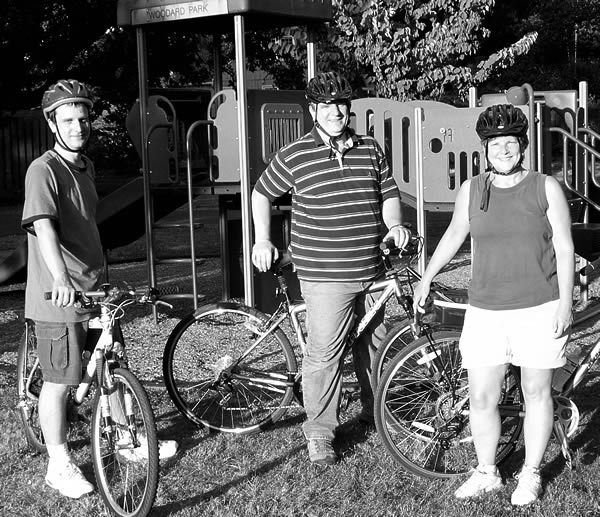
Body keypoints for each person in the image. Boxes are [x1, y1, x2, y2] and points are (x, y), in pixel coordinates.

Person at [22, 79, 177, 499]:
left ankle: (127, 441)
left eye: (84, 118)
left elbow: (87, 230)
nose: (78, 126)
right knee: (61, 381)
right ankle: (58, 463)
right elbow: (43, 227)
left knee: (113, 362)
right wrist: (60, 278)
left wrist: (104, 276)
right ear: (52, 123)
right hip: (60, 298)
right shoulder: (43, 169)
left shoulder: (85, 167)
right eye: (68, 119)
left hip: (95, 290)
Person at [413, 104, 574, 506]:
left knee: (536, 392)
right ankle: (487, 471)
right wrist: (428, 276)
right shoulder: (472, 189)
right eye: (495, 144)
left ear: (523, 146)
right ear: (484, 149)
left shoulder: (545, 187)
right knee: (482, 396)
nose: (503, 150)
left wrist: (566, 304)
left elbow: (565, 248)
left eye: (511, 143)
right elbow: (453, 235)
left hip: (539, 305)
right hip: (485, 308)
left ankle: (531, 472)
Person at [251, 71, 411, 466]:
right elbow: (260, 193)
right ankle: (320, 432)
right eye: (327, 105)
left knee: (373, 344)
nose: (336, 111)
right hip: (324, 271)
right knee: (325, 354)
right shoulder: (295, 154)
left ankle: (375, 412)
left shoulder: (370, 148)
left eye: (342, 104)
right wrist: (262, 239)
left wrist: (395, 226)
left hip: (372, 266)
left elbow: (387, 193)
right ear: (314, 110)